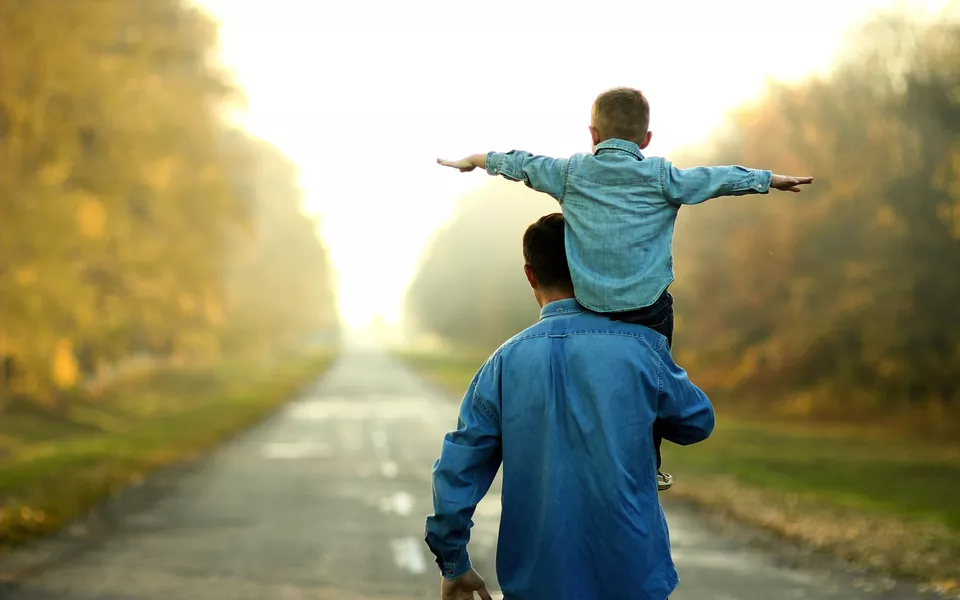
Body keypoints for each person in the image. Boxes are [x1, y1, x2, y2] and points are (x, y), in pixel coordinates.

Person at [437, 86, 813, 491]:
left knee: (588, 376)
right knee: (652, 384)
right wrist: (767, 179)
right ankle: (649, 464)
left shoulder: (571, 173)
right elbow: (716, 179)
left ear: (593, 134)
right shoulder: (663, 177)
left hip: (590, 306)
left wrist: (476, 160)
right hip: (648, 310)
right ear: (646, 139)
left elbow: (522, 163)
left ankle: (583, 446)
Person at [424, 213, 715, 600]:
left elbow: (456, 472)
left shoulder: (502, 365)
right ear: (592, 264)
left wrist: (454, 562)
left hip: (536, 585)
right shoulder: (642, 348)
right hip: (633, 580)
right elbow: (697, 422)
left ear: (530, 275)